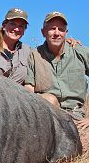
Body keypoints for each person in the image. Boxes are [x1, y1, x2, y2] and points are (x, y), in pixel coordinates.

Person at [24, 11, 89, 151]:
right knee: (50, 99)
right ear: (43, 32)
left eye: (61, 29)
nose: (56, 33)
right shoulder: (34, 55)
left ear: (66, 33)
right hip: (47, 116)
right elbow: (29, 88)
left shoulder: (80, 52)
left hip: (76, 116)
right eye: (52, 28)